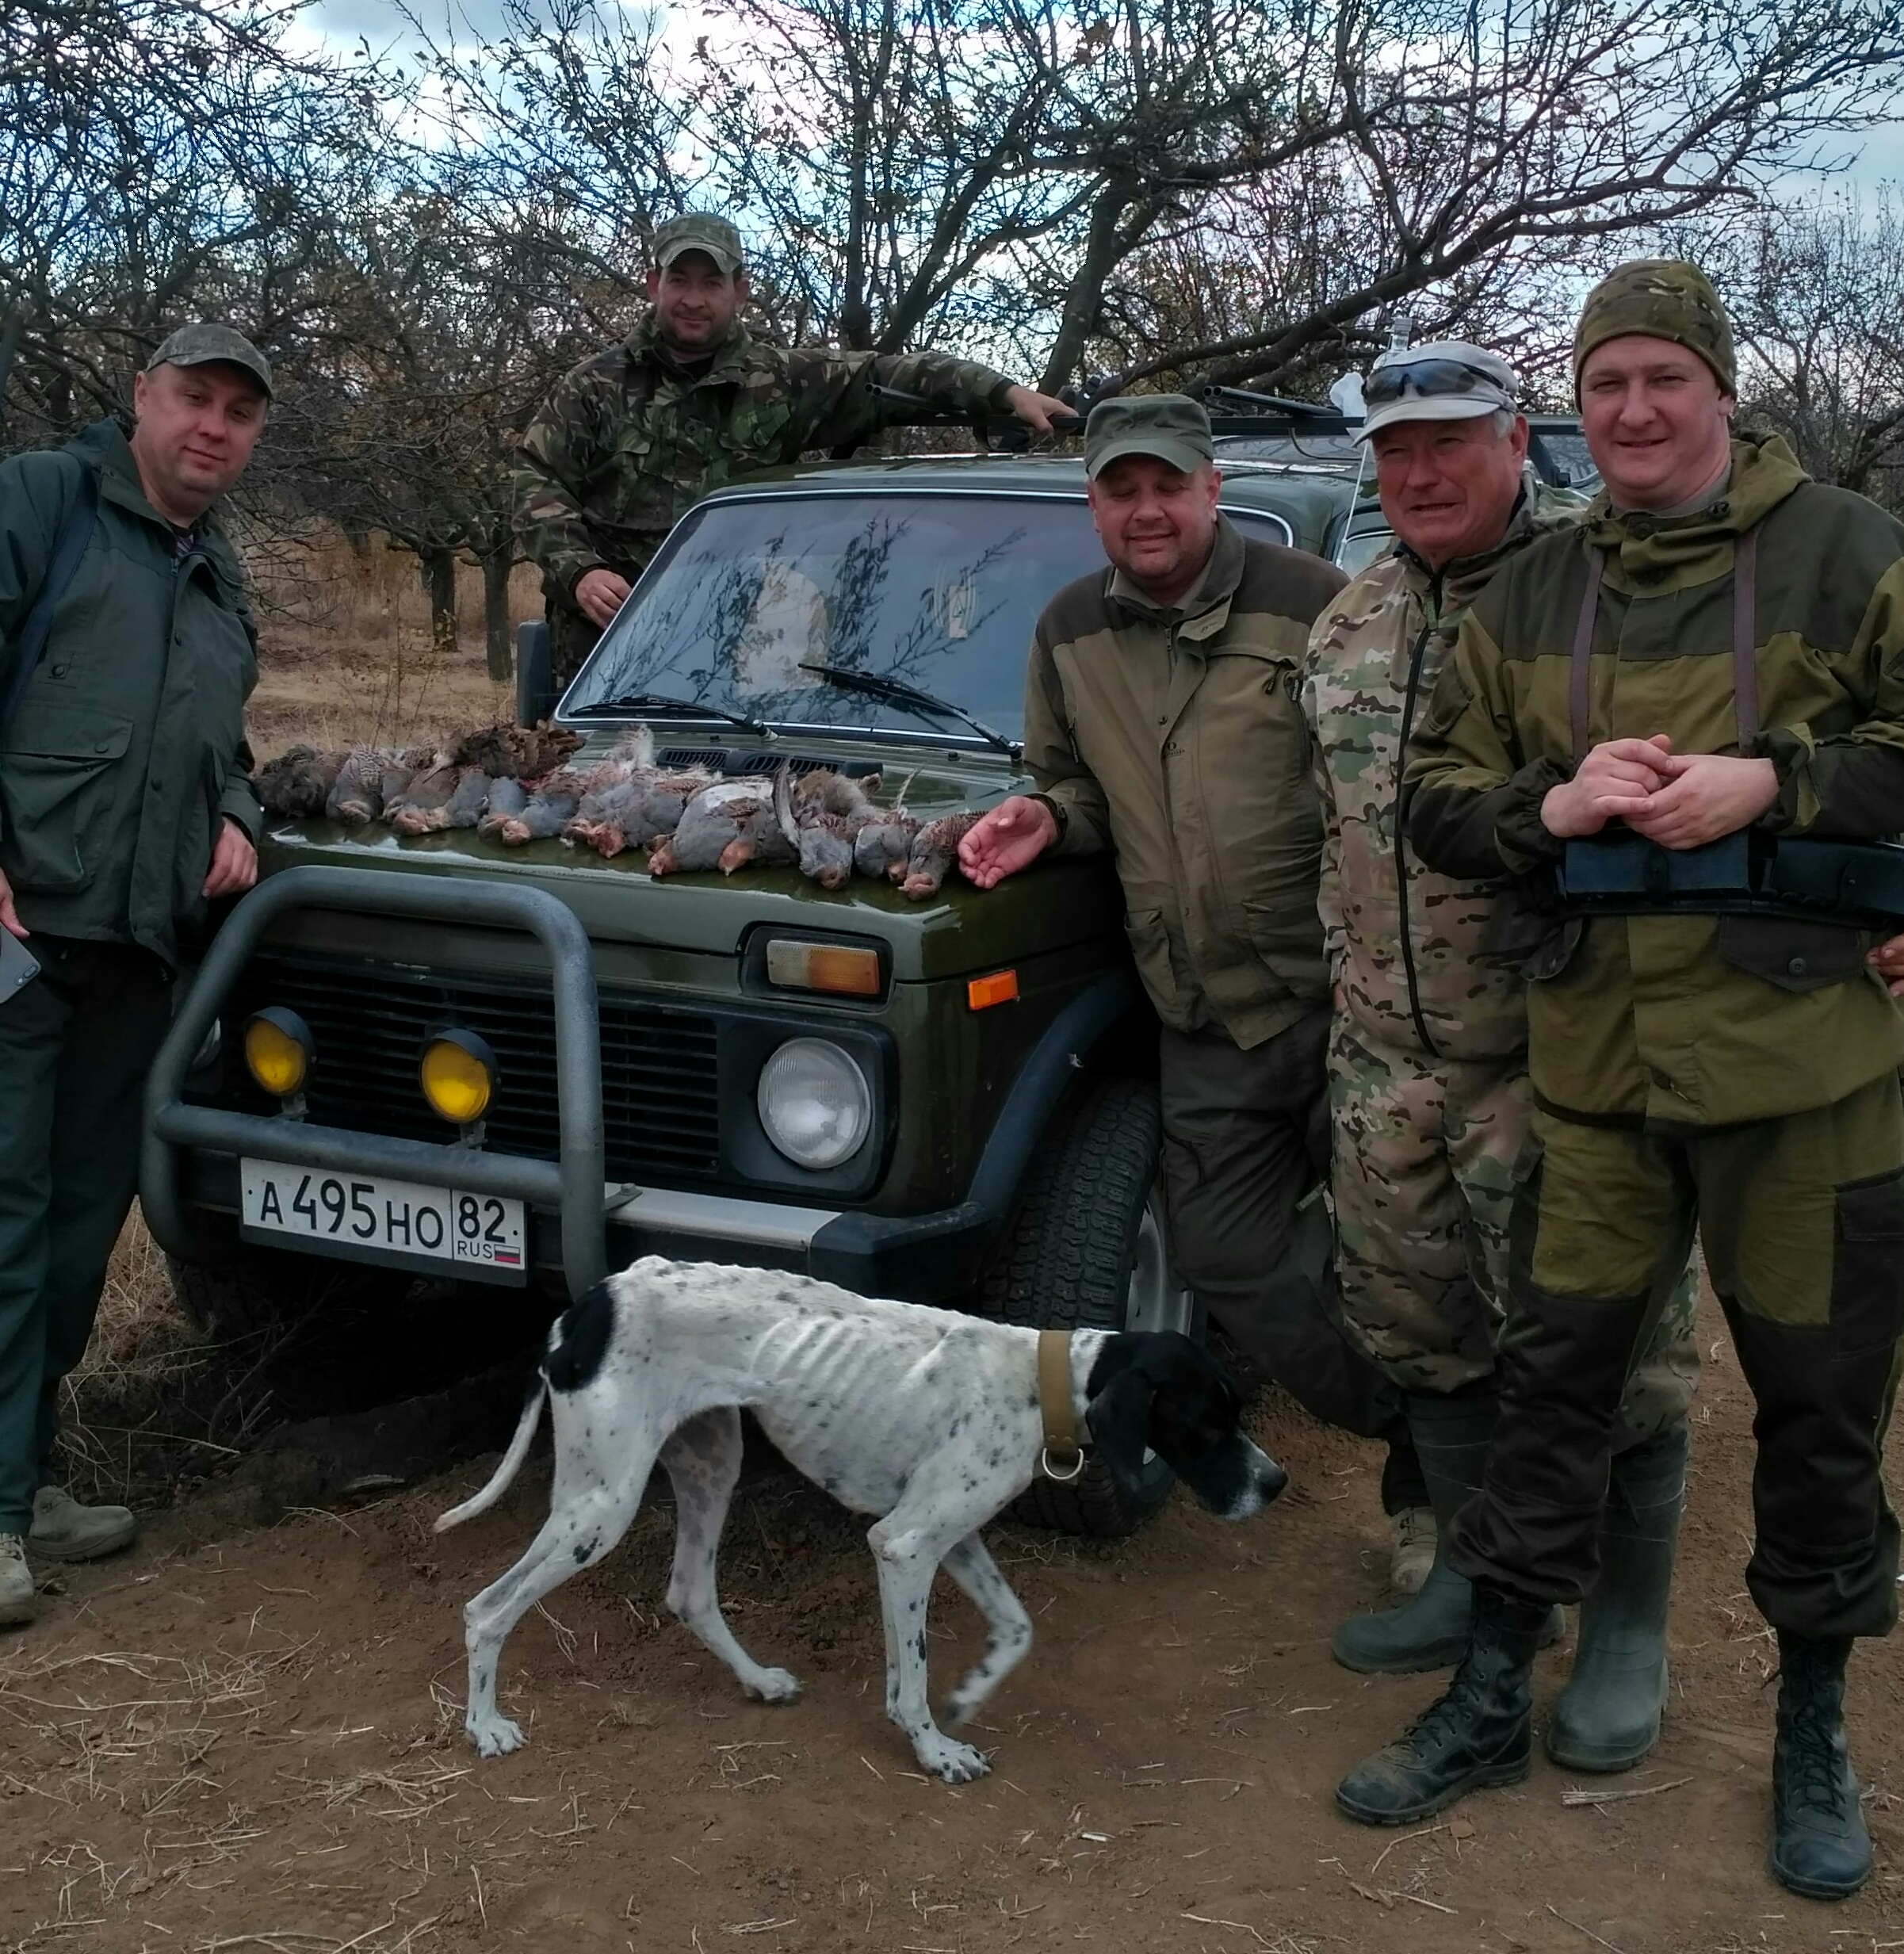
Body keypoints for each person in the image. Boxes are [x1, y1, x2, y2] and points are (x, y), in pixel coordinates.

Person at [1334, 262, 1904, 1904]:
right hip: (1596, 1069)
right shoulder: (1534, 590)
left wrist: (1770, 784)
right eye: (1606, 384)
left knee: (1817, 1414)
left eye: (1663, 377)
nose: (1635, 410)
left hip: (1804, 1078)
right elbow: (1433, 795)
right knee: (1553, 1389)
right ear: (1574, 410)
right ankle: (1489, 1692)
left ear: (1719, 387)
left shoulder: (1850, 550)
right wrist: (1555, 804)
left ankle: (1811, 1725)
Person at [1302, 342, 1699, 1772]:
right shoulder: (1348, 620)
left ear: (1515, 441)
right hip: (1383, 1062)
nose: (1417, 474)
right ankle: (1476, 1585)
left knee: (1616, 1355)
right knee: (1423, 1329)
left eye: (1448, 444)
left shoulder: (1600, 597)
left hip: (1561, 1056)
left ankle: (1624, 1629)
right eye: (1395, 450)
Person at [958, 394, 1425, 1547]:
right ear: (1094, 506)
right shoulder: (1067, 629)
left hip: (1341, 1001)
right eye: (1122, 490)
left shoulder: (1312, 600)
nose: (1147, 510)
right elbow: (1070, 782)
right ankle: (1421, 1429)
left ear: (1210, 489)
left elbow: (1387, 780)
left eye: (1167, 485)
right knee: (1225, 1252)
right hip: (1204, 1015)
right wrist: (1041, 818)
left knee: (1410, 1253)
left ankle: (1446, 1510)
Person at [0, 323, 269, 1626]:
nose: (212, 427)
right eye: (193, 398)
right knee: (3, 1221)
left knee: (72, 1228)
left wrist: (239, 818)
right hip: (18, 934)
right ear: (142, 398)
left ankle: (27, 1475)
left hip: (133, 949)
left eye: (238, 413)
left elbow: (226, 748)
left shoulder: (218, 573)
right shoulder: (42, 502)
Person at [514, 212, 1075, 689]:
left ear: (740, 290)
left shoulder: (784, 383)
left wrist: (1003, 394)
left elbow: (893, 377)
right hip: (608, 643)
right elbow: (535, 481)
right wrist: (580, 572)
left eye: (712, 283)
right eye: (679, 281)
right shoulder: (593, 387)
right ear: (652, 284)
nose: (693, 300)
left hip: (732, 650)